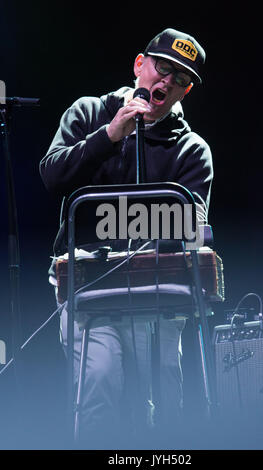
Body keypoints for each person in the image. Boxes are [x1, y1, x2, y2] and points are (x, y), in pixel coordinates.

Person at [40, 28, 213, 449]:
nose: (166, 80)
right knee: (98, 382)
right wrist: (110, 136)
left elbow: (191, 227)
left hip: (155, 292)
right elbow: (52, 175)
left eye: (179, 78)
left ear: (184, 92)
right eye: (161, 67)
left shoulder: (191, 149)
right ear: (140, 65)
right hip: (88, 287)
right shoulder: (89, 112)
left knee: (159, 402)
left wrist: (118, 223)